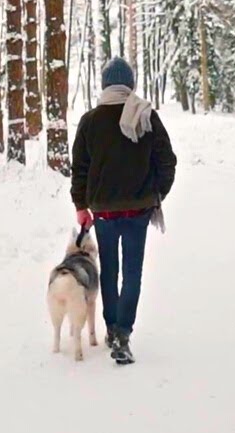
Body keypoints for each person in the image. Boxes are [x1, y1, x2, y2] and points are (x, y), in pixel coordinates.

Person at [71, 57, 177, 365]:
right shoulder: (145, 116)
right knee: (132, 272)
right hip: (138, 211)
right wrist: (156, 194)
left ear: (105, 85)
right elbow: (167, 161)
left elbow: (80, 168)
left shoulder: (90, 121)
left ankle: (111, 327)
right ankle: (123, 332)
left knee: (110, 271)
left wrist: (81, 206)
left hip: (104, 213)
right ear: (130, 85)